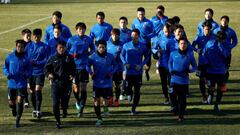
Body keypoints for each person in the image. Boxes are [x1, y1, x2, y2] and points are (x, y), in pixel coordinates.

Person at [45, 41, 76, 129]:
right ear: (56, 48)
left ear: (65, 48)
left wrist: (72, 75)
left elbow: (74, 68)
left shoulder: (69, 57)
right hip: (55, 84)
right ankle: (58, 121)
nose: (61, 49)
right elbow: (46, 68)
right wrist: (49, 74)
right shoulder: (52, 58)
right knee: (55, 104)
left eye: (63, 48)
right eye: (60, 48)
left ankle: (65, 109)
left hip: (66, 84)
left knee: (64, 102)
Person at [67, 22, 95, 117]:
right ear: (76, 30)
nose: (81, 31)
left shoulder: (88, 39)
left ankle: (81, 110)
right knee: (75, 88)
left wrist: (88, 53)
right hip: (74, 68)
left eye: (83, 29)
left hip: (84, 67)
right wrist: (73, 55)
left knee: (83, 88)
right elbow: (66, 51)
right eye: (79, 29)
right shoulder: (71, 40)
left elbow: (93, 49)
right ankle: (78, 101)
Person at [3, 40, 32, 128]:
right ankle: (13, 108)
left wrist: (26, 75)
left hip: (21, 84)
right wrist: (7, 74)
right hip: (11, 83)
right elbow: (5, 67)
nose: (20, 48)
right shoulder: (10, 57)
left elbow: (30, 70)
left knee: (20, 100)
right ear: (16, 47)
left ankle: (17, 121)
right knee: (12, 102)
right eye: (18, 46)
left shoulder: (26, 59)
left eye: (22, 47)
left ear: (24, 48)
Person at [88, 40, 117, 126]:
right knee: (96, 101)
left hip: (107, 83)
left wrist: (111, 73)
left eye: (103, 47)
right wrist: (91, 73)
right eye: (99, 47)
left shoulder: (110, 56)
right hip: (97, 84)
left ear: (105, 47)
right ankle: (99, 118)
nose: (101, 49)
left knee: (106, 102)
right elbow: (87, 65)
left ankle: (105, 108)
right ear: (97, 47)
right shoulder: (92, 57)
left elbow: (116, 66)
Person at [120, 29, 149, 115]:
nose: (133, 37)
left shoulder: (143, 46)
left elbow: (147, 57)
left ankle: (133, 108)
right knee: (128, 90)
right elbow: (121, 55)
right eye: (132, 35)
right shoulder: (126, 45)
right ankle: (129, 93)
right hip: (129, 72)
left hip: (138, 72)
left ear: (138, 36)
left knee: (137, 91)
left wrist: (141, 65)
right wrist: (125, 63)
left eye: (135, 35)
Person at [168, 37, 197, 121]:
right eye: (181, 43)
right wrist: (171, 71)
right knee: (172, 96)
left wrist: (190, 70)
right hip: (174, 80)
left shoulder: (190, 55)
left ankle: (181, 115)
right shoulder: (173, 53)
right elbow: (169, 62)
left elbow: (195, 66)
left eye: (184, 44)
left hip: (184, 81)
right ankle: (176, 107)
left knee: (182, 99)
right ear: (178, 44)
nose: (183, 45)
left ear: (187, 45)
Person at [203, 31, 231, 112]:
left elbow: (226, 55)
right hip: (210, 70)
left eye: (223, 39)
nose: (221, 40)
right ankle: (210, 95)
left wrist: (220, 45)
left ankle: (217, 104)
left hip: (221, 71)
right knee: (211, 87)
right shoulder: (209, 43)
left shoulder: (226, 45)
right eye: (220, 39)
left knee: (220, 89)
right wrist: (206, 63)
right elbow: (204, 53)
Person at [25, 28, 50, 119]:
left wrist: (37, 63)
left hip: (40, 72)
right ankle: (34, 109)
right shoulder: (28, 46)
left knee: (38, 90)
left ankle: (38, 110)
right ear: (32, 36)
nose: (36, 38)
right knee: (31, 91)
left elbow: (47, 60)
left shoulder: (45, 47)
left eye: (38, 36)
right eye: (35, 36)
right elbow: (25, 57)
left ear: (41, 36)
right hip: (30, 73)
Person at [213, 15, 238, 90]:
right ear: (220, 21)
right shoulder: (215, 30)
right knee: (216, 68)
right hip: (217, 53)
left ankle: (223, 84)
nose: (224, 22)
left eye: (226, 21)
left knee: (226, 69)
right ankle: (215, 83)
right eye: (223, 21)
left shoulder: (231, 31)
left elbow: (235, 41)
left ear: (228, 22)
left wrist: (231, 46)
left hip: (227, 53)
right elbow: (212, 40)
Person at [192, 21, 214, 103]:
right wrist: (196, 50)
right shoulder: (199, 37)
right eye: (205, 29)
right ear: (203, 29)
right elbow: (192, 46)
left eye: (208, 29)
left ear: (211, 29)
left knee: (210, 81)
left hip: (211, 63)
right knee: (201, 80)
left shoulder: (214, 38)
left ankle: (210, 96)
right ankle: (204, 97)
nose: (207, 31)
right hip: (201, 63)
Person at [132, 7, 154, 81]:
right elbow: (132, 32)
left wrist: (148, 36)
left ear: (144, 13)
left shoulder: (148, 22)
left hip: (147, 44)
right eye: (139, 14)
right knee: (138, 60)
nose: (140, 15)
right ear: (137, 14)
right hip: (138, 45)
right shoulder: (134, 22)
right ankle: (139, 78)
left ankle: (147, 71)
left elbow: (154, 33)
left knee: (148, 62)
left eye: (142, 14)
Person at [152, 24, 172, 104]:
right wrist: (157, 52)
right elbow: (153, 48)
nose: (167, 33)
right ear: (163, 31)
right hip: (162, 65)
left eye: (168, 31)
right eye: (165, 31)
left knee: (171, 82)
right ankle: (166, 97)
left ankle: (172, 96)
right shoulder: (159, 39)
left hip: (172, 65)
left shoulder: (174, 38)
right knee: (163, 82)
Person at [107, 28, 124, 107]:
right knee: (109, 85)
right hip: (109, 68)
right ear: (111, 35)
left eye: (116, 35)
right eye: (113, 35)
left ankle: (116, 100)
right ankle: (110, 98)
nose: (114, 37)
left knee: (117, 85)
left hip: (118, 68)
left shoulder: (122, 44)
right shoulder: (107, 44)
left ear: (119, 36)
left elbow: (125, 55)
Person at [118, 16, 132, 101]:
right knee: (119, 77)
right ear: (119, 23)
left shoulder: (130, 32)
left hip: (127, 57)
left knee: (126, 75)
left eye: (124, 22)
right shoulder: (116, 32)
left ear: (127, 23)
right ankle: (123, 92)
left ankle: (125, 93)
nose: (123, 24)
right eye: (121, 22)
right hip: (117, 58)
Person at [21, 28, 32, 108]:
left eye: (29, 36)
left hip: (30, 69)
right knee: (24, 85)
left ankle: (30, 100)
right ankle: (26, 100)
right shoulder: (20, 45)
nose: (28, 37)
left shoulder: (32, 44)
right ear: (23, 36)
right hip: (22, 69)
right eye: (27, 36)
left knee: (30, 86)